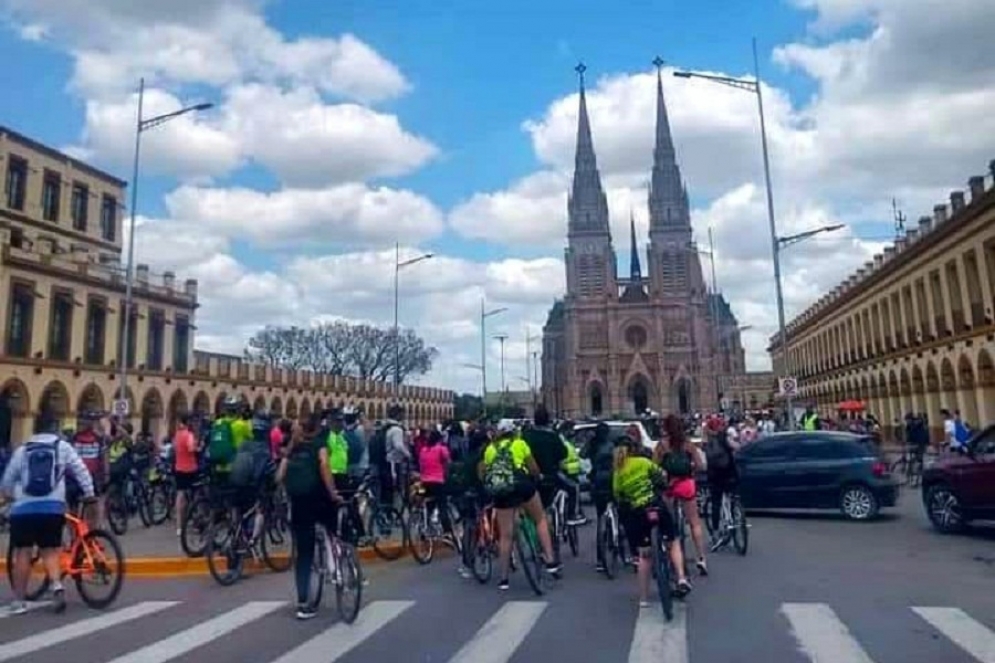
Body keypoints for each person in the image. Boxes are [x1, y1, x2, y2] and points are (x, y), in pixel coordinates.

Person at [1, 420, 97, 615]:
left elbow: (8, 480)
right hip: (53, 507)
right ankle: (56, 586)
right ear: (56, 431)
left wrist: (10, 496)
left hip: (24, 509)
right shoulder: (63, 447)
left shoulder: (22, 450)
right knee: (50, 550)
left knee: (23, 553)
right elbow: (81, 470)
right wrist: (89, 493)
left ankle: (19, 601)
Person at [478, 420, 560, 591]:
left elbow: (482, 472)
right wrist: (538, 477)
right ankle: (551, 560)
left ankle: (504, 578)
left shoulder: (491, 449)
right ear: (513, 432)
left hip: (502, 491)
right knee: (540, 519)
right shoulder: (520, 444)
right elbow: (533, 468)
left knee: (506, 536)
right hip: (522, 486)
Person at [612, 433, 690, 606]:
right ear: (633, 449)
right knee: (673, 541)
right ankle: (681, 578)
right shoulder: (643, 462)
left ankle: (644, 598)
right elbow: (661, 475)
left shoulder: (618, 471)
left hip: (637, 513)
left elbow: (617, 494)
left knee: (644, 555)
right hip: (655, 505)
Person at [277, 416, 341, 620]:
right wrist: (333, 492)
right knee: (335, 526)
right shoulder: (319, 445)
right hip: (319, 501)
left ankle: (303, 603)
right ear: (316, 430)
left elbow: (279, 477)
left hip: (298, 504)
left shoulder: (292, 449)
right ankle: (336, 564)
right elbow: (324, 467)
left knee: (304, 554)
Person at [655, 414, 708, 576]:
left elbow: (654, 467)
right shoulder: (688, 444)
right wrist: (691, 469)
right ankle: (701, 558)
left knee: (669, 525)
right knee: (694, 523)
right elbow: (701, 466)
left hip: (670, 486)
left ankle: (672, 556)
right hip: (687, 485)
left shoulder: (662, 445)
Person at [582, 421, 615, 573]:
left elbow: (582, 455)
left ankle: (600, 560)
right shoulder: (611, 445)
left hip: (597, 483)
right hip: (612, 482)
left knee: (600, 517)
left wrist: (589, 440)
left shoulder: (593, 445)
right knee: (621, 511)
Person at [702, 416, 739, 550]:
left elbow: (704, 460)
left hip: (715, 475)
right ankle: (736, 519)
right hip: (729, 473)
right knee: (732, 498)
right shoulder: (725, 436)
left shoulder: (706, 440)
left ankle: (716, 533)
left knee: (716, 504)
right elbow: (737, 447)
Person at [418, 429, 454, 538]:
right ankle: (447, 531)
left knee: (427, 504)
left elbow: (421, 466)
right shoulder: (441, 449)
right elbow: (449, 463)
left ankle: (424, 525)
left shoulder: (423, 450)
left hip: (424, 483)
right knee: (442, 504)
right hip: (438, 481)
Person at [173, 414, 200, 537]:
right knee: (195, 494)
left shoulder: (177, 435)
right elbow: (191, 449)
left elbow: (175, 449)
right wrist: (198, 446)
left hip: (179, 467)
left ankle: (179, 526)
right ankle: (195, 520)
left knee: (180, 495)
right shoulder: (188, 435)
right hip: (190, 468)